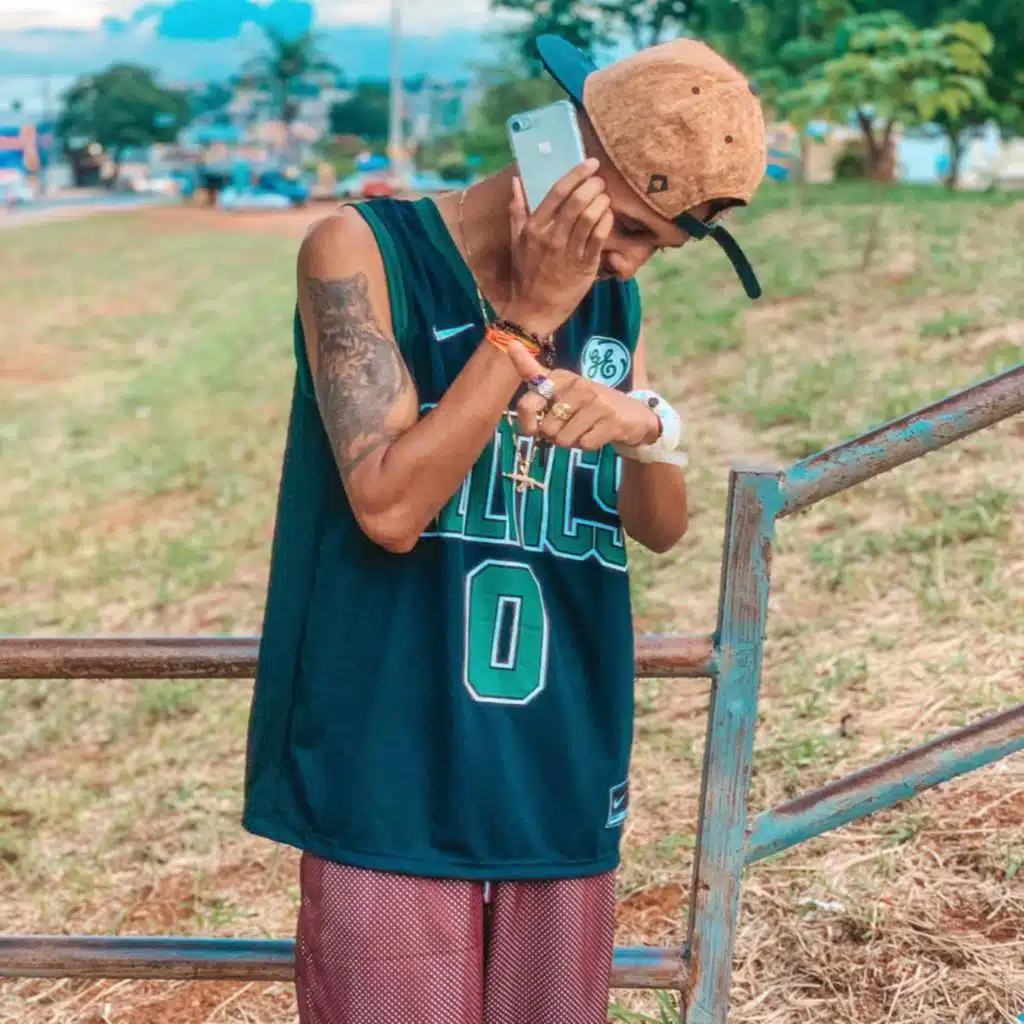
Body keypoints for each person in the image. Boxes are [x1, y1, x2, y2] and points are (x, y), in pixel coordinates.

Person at [242, 31, 767, 1024]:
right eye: (629, 226)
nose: (629, 260)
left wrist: (649, 429)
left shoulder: (612, 300)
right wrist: (523, 321)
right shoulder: (363, 250)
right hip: (391, 763)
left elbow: (660, 528)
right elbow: (388, 507)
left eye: (658, 245)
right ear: (560, 150)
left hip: (556, 758)